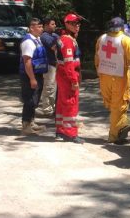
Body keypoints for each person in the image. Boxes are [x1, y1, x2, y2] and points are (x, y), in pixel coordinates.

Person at [55, 11, 85, 144]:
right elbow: (68, 63)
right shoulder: (67, 41)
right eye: (73, 23)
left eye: (78, 23)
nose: (77, 25)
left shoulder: (66, 38)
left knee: (62, 104)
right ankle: (71, 133)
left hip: (63, 76)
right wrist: (74, 81)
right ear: (66, 24)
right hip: (68, 76)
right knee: (71, 104)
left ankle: (60, 130)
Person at [19, 18, 48, 136]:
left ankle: (31, 122)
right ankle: (26, 125)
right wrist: (32, 78)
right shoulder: (28, 42)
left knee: (35, 99)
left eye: (42, 26)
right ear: (31, 28)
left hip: (37, 73)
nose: (41, 29)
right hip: (29, 74)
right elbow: (27, 61)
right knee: (30, 100)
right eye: (39, 26)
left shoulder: (37, 40)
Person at [35, 17, 59, 118]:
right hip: (49, 65)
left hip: (56, 64)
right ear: (46, 25)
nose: (55, 26)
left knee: (54, 88)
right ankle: (47, 109)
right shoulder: (44, 36)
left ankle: (53, 108)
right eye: (52, 24)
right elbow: (55, 47)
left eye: (54, 24)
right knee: (49, 87)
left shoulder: (54, 35)